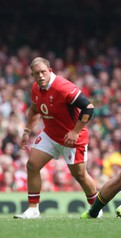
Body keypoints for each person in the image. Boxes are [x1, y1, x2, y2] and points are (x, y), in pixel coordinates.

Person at [14, 57, 99, 219]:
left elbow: (88, 108)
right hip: (51, 134)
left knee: (80, 175)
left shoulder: (62, 87)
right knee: (32, 165)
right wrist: (26, 132)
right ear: (32, 75)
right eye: (36, 73)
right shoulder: (36, 88)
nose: (40, 76)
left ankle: (96, 208)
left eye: (43, 72)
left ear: (50, 71)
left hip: (73, 138)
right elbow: (34, 110)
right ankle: (33, 210)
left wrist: (75, 132)